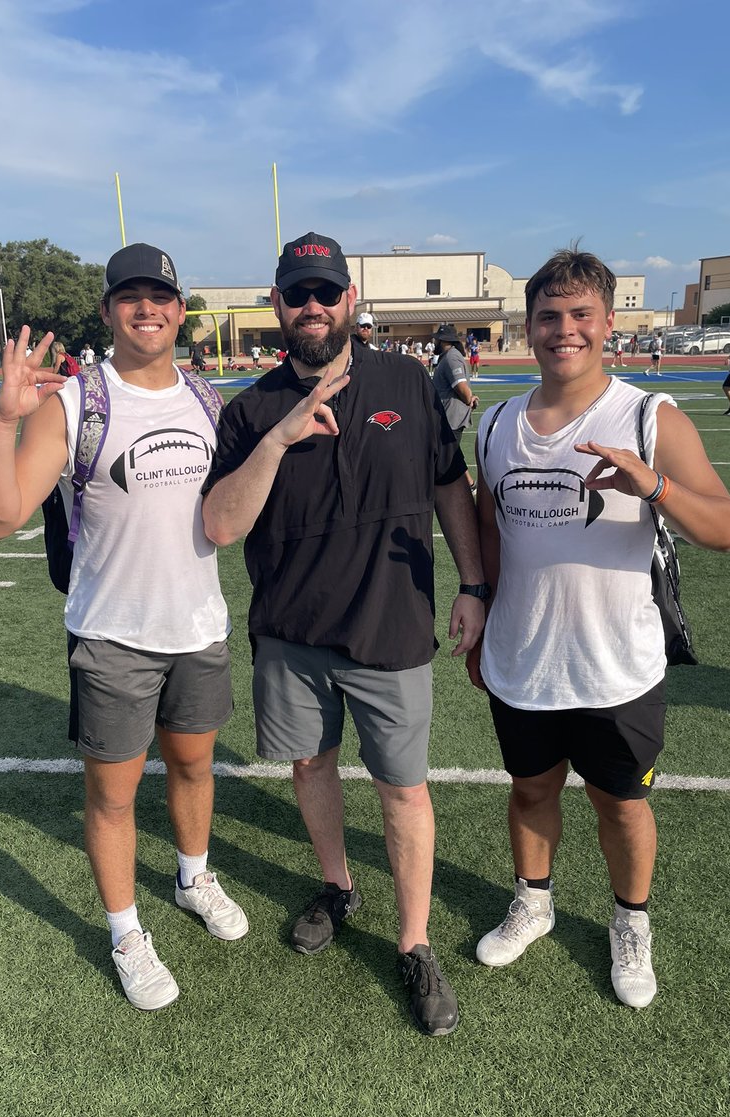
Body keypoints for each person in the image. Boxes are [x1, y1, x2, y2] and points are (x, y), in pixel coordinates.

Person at [201, 230, 486, 1037]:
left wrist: (472, 583)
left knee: (404, 790)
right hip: (291, 634)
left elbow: (447, 487)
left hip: (391, 630)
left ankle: (415, 940)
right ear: (277, 304)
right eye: (299, 294)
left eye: (328, 292)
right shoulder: (250, 410)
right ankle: (338, 885)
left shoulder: (407, 381)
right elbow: (221, 527)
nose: (314, 307)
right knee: (310, 765)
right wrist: (279, 437)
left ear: (351, 301)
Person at [0, 242, 247, 1012]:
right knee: (114, 796)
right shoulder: (76, 403)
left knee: (195, 768)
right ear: (107, 311)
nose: (146, 308)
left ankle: (194, 878)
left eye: (159, 296)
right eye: (130, 296)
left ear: (180, 311)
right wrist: (2, 422)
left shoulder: (205, 398)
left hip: (197, 628)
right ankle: (126, 931)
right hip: (112, 635)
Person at [469, 247, 730, 1009]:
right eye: (549, 317)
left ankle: (630, 921)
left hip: (617, 664)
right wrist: (483, 611)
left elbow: (723, 526)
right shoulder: (495, 427)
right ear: (528, 326)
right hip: (523, 656)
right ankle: (534, 900)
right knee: (529, 792)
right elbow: (491, 528)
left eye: (581, 315)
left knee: (620, 804)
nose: (565, 330)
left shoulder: (650, 417)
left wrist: (651, 485)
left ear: (609, 322)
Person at [432, 323, 476, 489]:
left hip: (452, 418)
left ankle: (455, 492)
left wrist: (469, 398)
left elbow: (462, 387)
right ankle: (470, 484)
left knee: (446, 460)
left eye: (437, 339)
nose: (435, 342)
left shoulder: (451, 358)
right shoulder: (449, 356)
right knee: (453, 454)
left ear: (442, 340)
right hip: (449, 417)